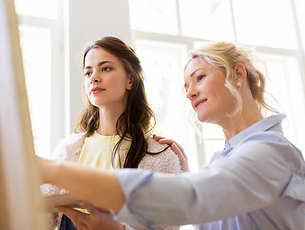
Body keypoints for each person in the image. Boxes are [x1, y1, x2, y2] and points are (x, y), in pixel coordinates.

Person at [40, 41, 305, 229]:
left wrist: (52, 169)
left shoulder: (272, 151)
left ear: (237, 74)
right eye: (186, 85)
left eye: (199, 77)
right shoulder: (223, 158)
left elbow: (192, 199)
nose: (189, 92)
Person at [41, 36, 185, 230]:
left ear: (130, 80)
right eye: (88, 72)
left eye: (105, 68)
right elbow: (40, 219)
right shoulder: (66, 151)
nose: (94, 77)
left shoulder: (160, 156)